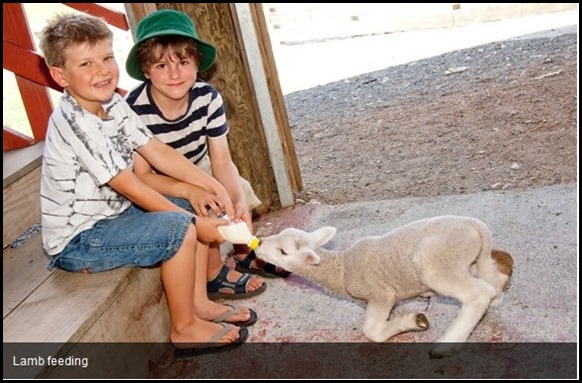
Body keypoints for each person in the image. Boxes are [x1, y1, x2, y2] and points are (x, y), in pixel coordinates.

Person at [38, 12, 255, 355]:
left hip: (114, 219)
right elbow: (131, 185)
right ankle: (183, 328)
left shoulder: (112, 105)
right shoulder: (74, 122)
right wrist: (197, 226)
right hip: (79, 240)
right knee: (181, 226)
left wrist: (213, 188)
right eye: (87, 64)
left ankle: (199, 304)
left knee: (191, 206)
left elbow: (157, 151)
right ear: (60, 75)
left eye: (107, 58)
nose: (103, 70)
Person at [124, 9, 290, 300]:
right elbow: (143, 176)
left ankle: (245, 252)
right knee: (204, 206)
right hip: (160, 177)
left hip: (199, 163)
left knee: (238, 190)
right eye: (161, 65)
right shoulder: (134, 109)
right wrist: (193, 189)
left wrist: (236, 198)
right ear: (146, 70)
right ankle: (213, 276)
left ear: (197, 64)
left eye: (183, 62)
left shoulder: (208, 97)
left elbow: (221, 160)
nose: (174, 74)